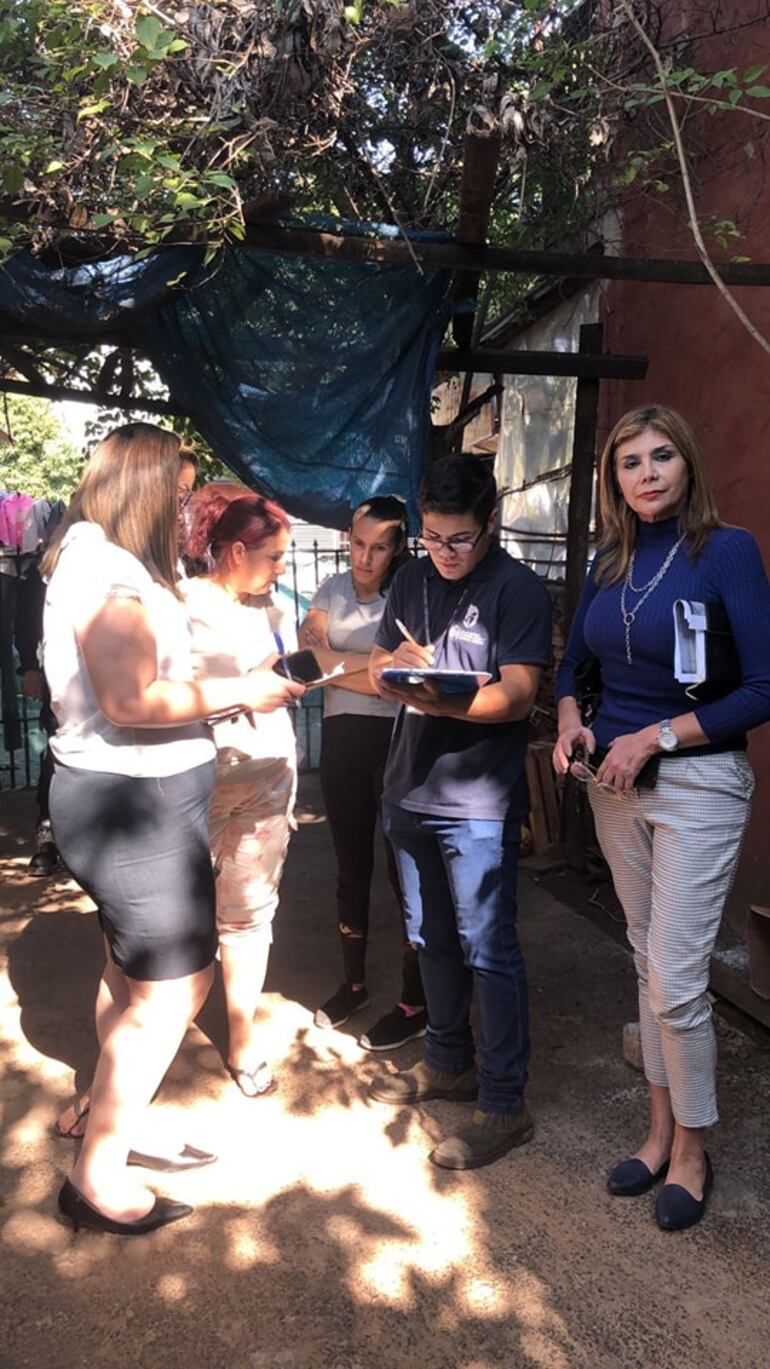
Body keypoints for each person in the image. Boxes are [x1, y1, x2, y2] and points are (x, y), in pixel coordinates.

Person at [43, 423, 303, 1235]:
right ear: (146, 488)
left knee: (131, 976)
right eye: (182, 488)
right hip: (134, 804)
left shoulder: (90, 557)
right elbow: (129, 701)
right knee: (175, 988)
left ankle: (115, 1119)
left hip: (131, 800)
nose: (188, 504)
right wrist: (239, 696)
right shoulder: (111, 572)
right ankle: (98, 1174)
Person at [553, 403, 770, 1231]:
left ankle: (692, 1146)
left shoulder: (726, 551)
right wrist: (572, 721)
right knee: (647, 963)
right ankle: (655, 1130)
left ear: (687, 464)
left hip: (698, 784)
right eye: (629, 462)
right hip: (612, 784)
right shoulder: (609, 563)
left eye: (661, 457)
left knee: (677, 979)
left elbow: (763, 685)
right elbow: (572, 665)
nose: (646, 474)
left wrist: (654, 735)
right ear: (615, 479)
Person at [367, 455, 552, 1170]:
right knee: (428, 936)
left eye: (460, 539)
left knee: (489, 947)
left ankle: (506, 1103)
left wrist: (444, 697)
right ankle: (448, 1061)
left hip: (477, 801)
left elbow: (516, 695)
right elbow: (380, 663)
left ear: (491, 521)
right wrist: (396, 675)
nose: (445, 553)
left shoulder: (517, 589)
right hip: (408, 788)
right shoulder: (411, 577)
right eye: (434, 538)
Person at [182, 483, 299, 1096]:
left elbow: (286, 666)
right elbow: (157, 700)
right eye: (274, 558)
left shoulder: (271, 610)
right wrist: (242, 690)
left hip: (266, 784)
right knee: (174, 924)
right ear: (233, 553)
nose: (281, 569)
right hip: (195, 787)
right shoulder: (179, 606)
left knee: (250, 917)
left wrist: (289, 677)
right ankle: (137, 1051)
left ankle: (242, 1041)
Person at [299, 496, 426, 1050]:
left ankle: (414, 998)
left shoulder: (413, 591)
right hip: (343, 745)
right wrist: (371, 671)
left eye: (379, 547)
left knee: (407, 874)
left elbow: (399, 677)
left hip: (398, 743)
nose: (365, 558)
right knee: (351, 866)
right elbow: (308, 656)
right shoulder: (331, 588)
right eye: (358, 544)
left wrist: (337, 667)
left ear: (398, 546)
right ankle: (352, 984)